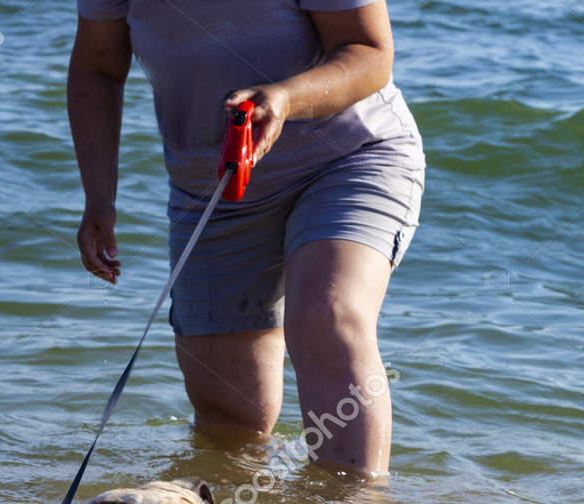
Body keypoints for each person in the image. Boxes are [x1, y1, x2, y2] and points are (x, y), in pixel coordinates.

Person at [69, 1, 424, 477]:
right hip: (215, 188)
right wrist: (99, 199)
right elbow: (97, 66)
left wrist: (285, 98)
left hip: (350, 157)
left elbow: (369, 52)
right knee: (230, 418)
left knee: (327, 315)